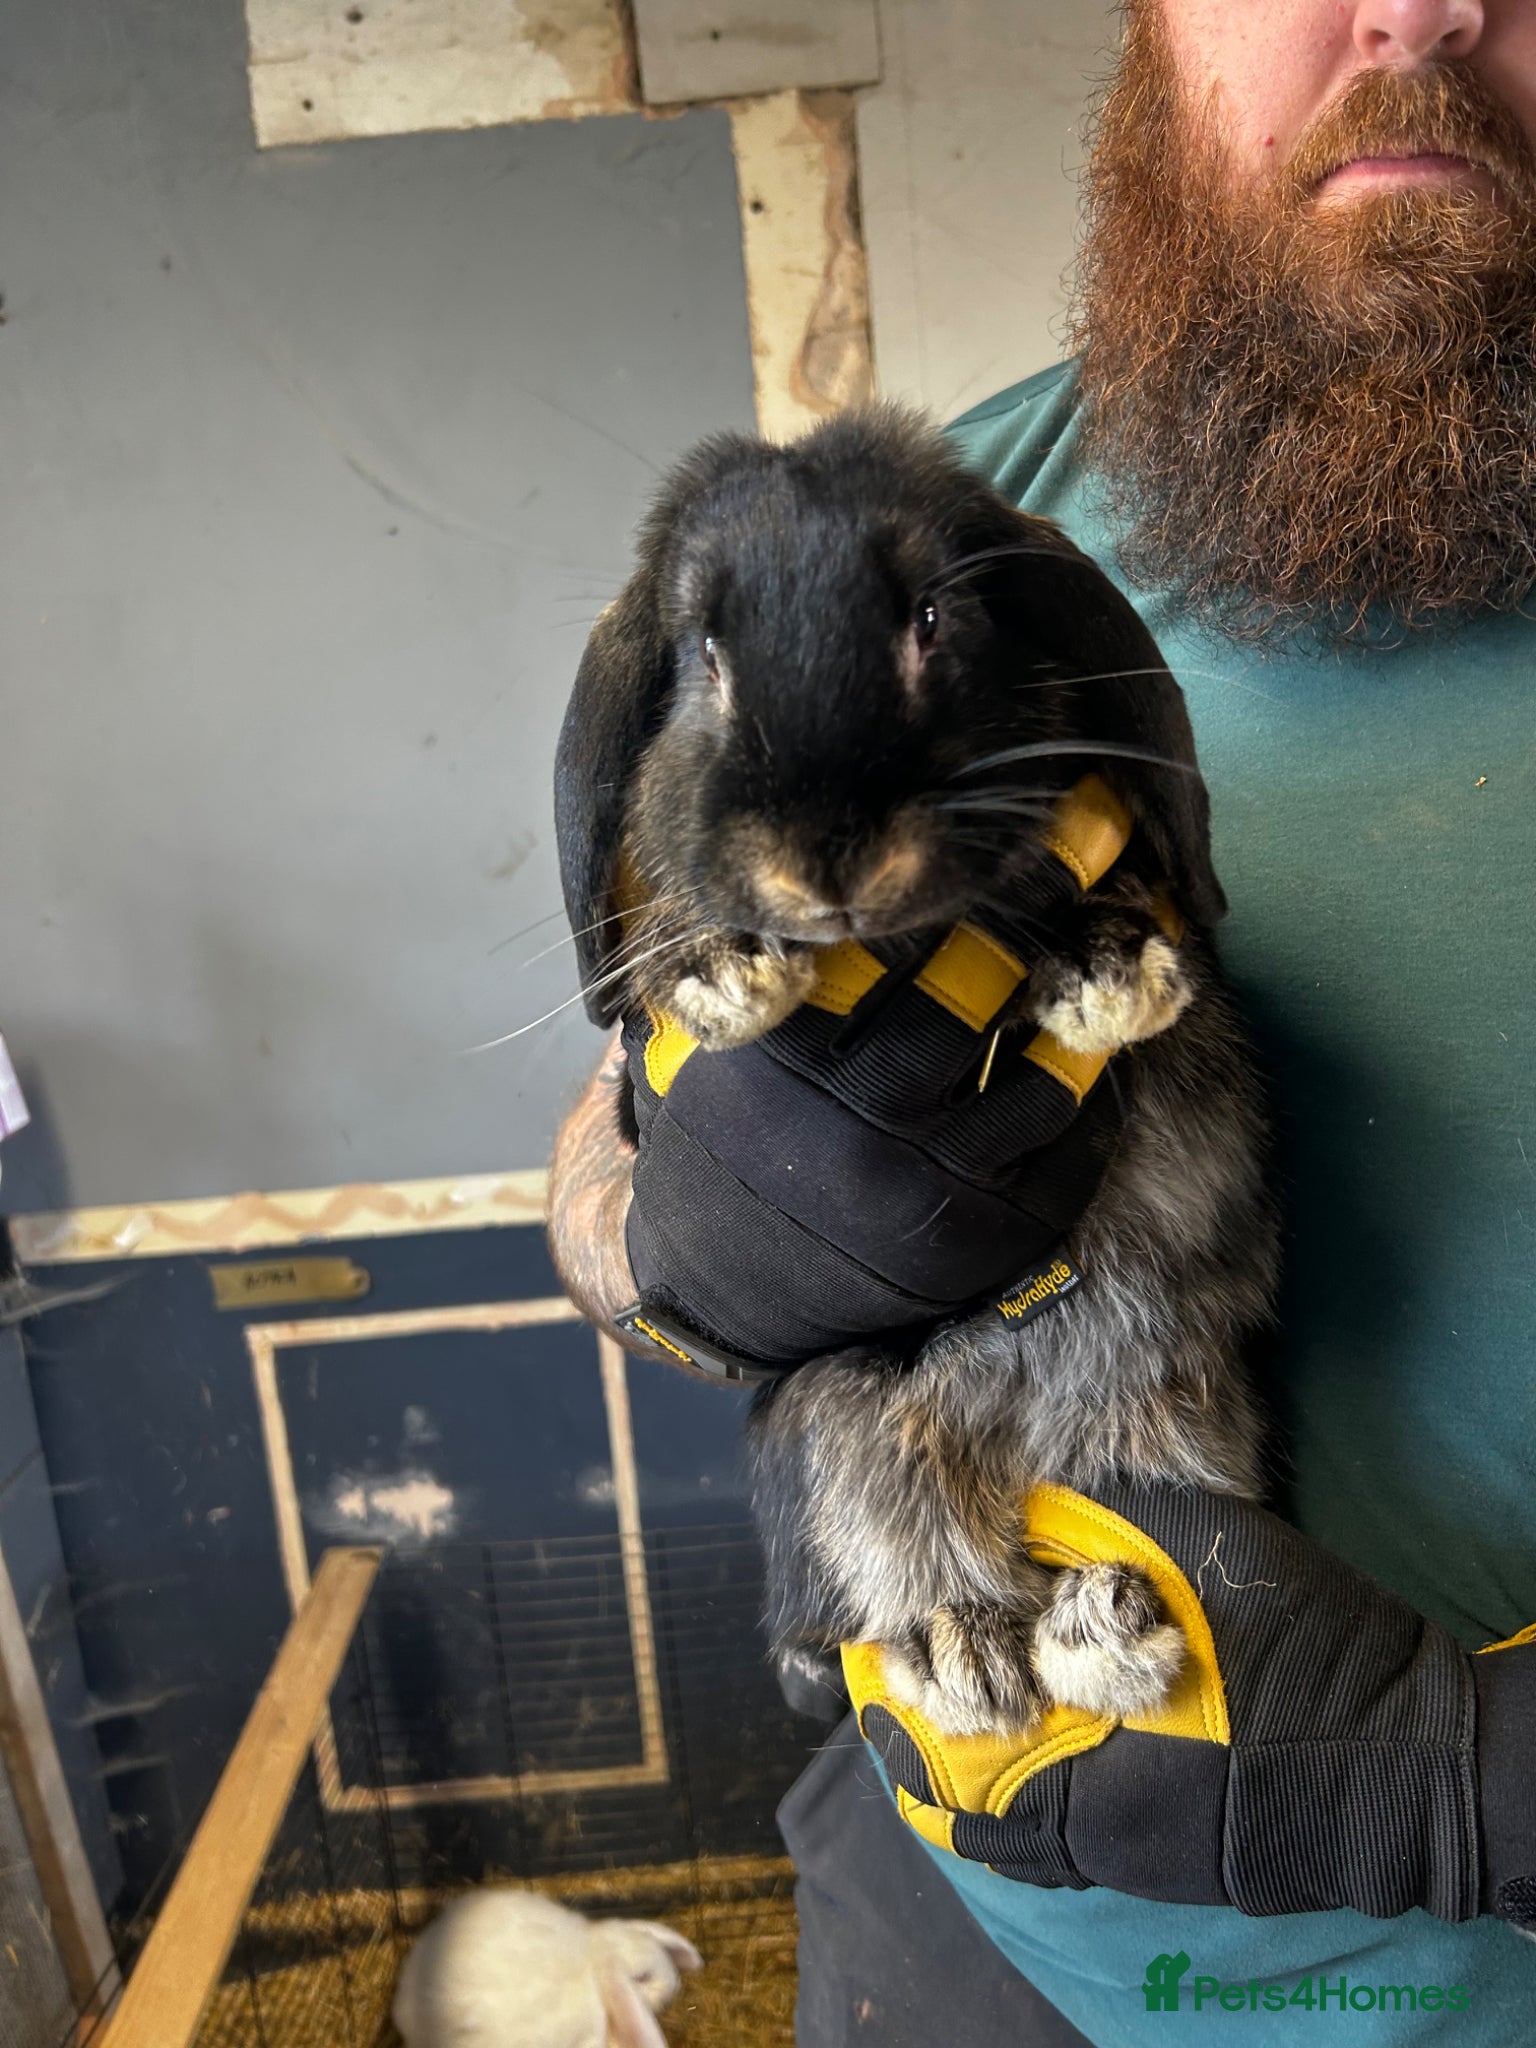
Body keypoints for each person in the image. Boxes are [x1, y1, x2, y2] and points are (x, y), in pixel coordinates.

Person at [548, 0, 1536, 2038]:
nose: (1425, 6)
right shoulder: (950, 509)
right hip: (977, 1929)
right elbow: (599, 1141)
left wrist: (1486, 1794)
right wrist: (669, 1239)